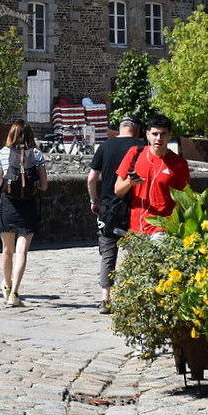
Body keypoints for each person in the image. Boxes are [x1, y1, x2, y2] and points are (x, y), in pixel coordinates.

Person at [87, 115, 145, 312]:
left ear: (120, 128)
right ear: (137, 129)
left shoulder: (105, 147)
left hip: (109, 207)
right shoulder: (142, 147)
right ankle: (135, 295)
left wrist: (94, 201)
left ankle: (106, 298)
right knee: (136, 253)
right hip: (135, 206)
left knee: (108, 253)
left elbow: (92, 179)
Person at [0, 120, 49, 308]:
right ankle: (15, 293)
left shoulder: (1, 154)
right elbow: (44, 185)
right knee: (22, 251)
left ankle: (7, 286)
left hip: (8, 206)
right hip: (29, 206)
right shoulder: (37, 155)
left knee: (7, 250)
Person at [114, 114, 191, 236]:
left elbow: (184, 199)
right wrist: (129, 182)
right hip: (136, 227)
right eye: (155, 134)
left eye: (163, 134)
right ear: (147, 134)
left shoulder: (179, 164)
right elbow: (118, 190)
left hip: (162, 228)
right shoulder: (135, 153)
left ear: (170, 135)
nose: (159, 138)